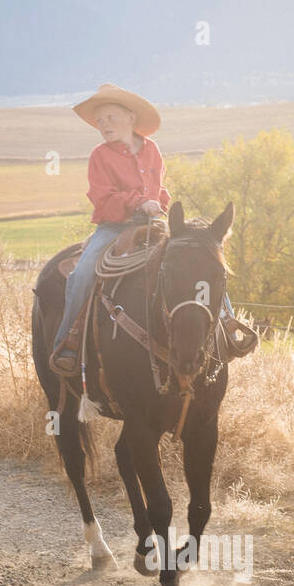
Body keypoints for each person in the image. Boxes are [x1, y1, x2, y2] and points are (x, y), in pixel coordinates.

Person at [50, 83, 170, 377]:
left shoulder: (152, 150)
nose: (104, 125)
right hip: (114, 226)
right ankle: (68, 343)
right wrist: (140, 202)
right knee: (82, 273)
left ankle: (226, 326)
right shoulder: (100, 156)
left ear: (131, 117)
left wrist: (160, 202)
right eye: (100, 121)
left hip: (153, 224)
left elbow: (158, 188)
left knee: (197, 256)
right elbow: (103, 199)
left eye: (111, 117)